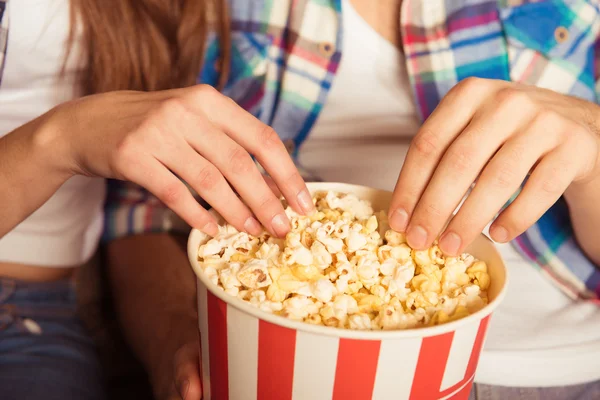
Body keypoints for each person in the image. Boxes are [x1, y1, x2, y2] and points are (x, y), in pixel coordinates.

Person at [1, 1, 599, 400]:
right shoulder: (208, 12)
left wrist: (594, 153)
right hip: (304, 368)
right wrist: (178, 339)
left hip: (574, 360)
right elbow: (146, 204)